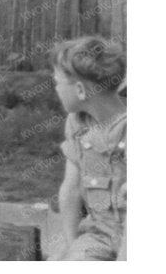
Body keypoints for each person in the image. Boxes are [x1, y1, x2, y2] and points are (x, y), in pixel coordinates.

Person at [51, 35, 126, 260]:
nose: (56, 88)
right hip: (100, 236)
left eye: (58, 82)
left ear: (81, 90)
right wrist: (73, 246)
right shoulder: (77, 125)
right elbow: (71, 190)